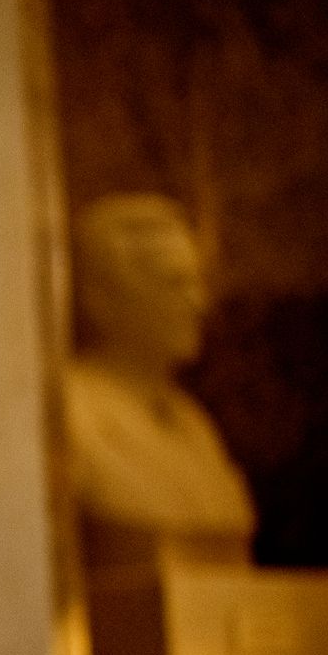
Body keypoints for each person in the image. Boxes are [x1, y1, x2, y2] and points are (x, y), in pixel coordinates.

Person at [63, 193, 255, 567]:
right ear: (100, 299)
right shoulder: (68, 412)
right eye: (173, 283)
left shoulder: (193, 423)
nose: (198, 303)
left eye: (197, 283)